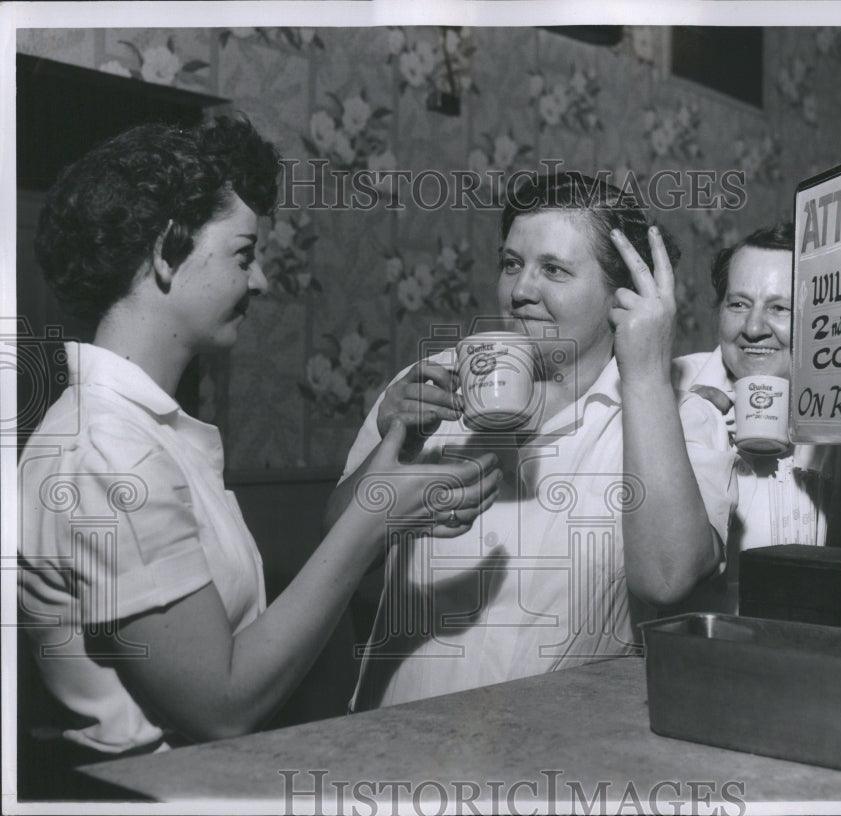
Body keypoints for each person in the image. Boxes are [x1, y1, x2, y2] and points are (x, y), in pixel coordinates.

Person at [17, 116, 501, 762]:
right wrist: (373, 523)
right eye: (244, 255)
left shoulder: (142, 433)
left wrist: (384, 471)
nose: (262, 281)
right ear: (167, 254)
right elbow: (220, 707)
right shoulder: (107, 452)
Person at [333, 172, 737, 710]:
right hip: (393, 761)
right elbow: (330, 545)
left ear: (623, 295)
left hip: (554, 773)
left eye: (554, 269)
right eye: (510, 264)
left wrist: (643, 374)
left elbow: (667, 579)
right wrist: (397, 447)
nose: (521, 291)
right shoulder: (431, 383)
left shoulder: (678, 415)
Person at [672, 222, 841, 613]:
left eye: (780, 308)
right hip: (701, 656)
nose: (753, 328)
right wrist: (680, 424)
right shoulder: (668, 392)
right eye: (738, 304)